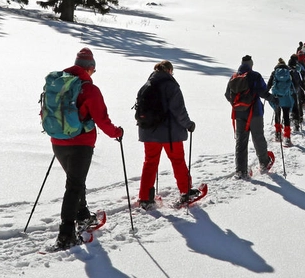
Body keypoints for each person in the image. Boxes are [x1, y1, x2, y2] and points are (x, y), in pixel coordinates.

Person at [51, 48, 124, 250]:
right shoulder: (89, 89)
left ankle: (83, 216)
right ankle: (66, 234)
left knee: (76, 181)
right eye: (93, 70)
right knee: (74, 186)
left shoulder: (59, 85)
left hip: (58, 141)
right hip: (80, 144)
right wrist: (116, 132)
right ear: (90, 68)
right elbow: (102, 119)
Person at [136, 60, 199, 210]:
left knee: (150, 163)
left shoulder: (145, 86)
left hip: (148, 132)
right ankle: (185, 191)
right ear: (169, 71)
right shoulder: (171, 86)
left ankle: (145, 197)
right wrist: (188, 124)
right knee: (177, 161)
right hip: (170, 134)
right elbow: (179, 111)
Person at [225, 55, 274, 179]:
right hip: (255, 112)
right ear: (251, 64)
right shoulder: (255, 75)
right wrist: (273, 99)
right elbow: (263, 92)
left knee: (241, 142)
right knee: (258, 137)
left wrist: (238, 105)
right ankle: (264, 162)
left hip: (239, 114)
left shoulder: (234, 77)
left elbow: (227, 94)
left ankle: (241, 171)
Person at [267, 58, 301, 144]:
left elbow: (269, 85)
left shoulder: (274, 73)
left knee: (277, 114)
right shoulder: (289, 72)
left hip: (276, 97)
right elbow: (295, 86)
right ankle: (287, 137)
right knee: (286, 116)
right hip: (286, 97)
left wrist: (266, 93)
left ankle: (278, 134)